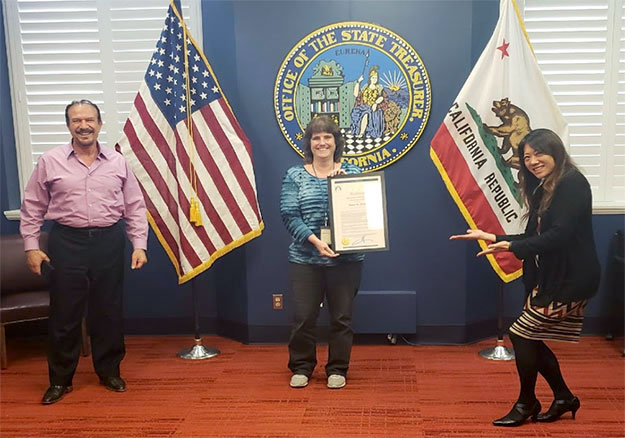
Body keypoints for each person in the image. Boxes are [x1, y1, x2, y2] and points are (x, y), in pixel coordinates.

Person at [451, 128, 600, 427]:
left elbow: (560, 236)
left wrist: (513, 246)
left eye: (538, 154)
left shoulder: (573, 183)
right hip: (548, 278)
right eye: (527, 157)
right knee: (526, 336)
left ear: (555, 151)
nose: (532, 161)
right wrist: (492, 236)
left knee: (521, 334)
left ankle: (528, 402)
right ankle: (562, 397)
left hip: (571, 280)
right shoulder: (543, 187)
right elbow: (533, 236)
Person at [20, 99, 149, 405]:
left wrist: (139, 244)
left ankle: (109, 371)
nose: (83, 125)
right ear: (69, 126)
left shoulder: (118, 163)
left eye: (89, 119)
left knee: (108, 311)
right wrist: (31, 248)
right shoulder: (50, 162)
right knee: (64, 314)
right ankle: (60, 380)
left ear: (100, 124)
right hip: (67, 242)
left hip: (109, 241)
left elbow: (134, 206)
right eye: (76, 120)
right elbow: (32, 208)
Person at [280, 115, 364, 389]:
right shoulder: (295, 175)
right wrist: (316, 242)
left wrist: (343, 186)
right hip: (306, 259)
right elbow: (289, 215)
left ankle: (338, 368)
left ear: (336, 142)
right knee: (304, 317)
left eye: (327, 137)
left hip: (346, 260)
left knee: (342, 318)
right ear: (309, 143)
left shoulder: (352, 172)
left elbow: (362, 213)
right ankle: (302, 366)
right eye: (316, 138)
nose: (322, 142)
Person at [350, 65, 386, 138]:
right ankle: (357, 130)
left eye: (376, 78)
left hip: (374, 109)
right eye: (373, 77)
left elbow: (382, 97)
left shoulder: (379, 87)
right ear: (370, 78)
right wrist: (358, 82)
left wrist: (375, 103)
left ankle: (361, 133)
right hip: (364, 107)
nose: (375, 79)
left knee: (366, 114)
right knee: (357, 112)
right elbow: (355, 94)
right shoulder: (365, 86)